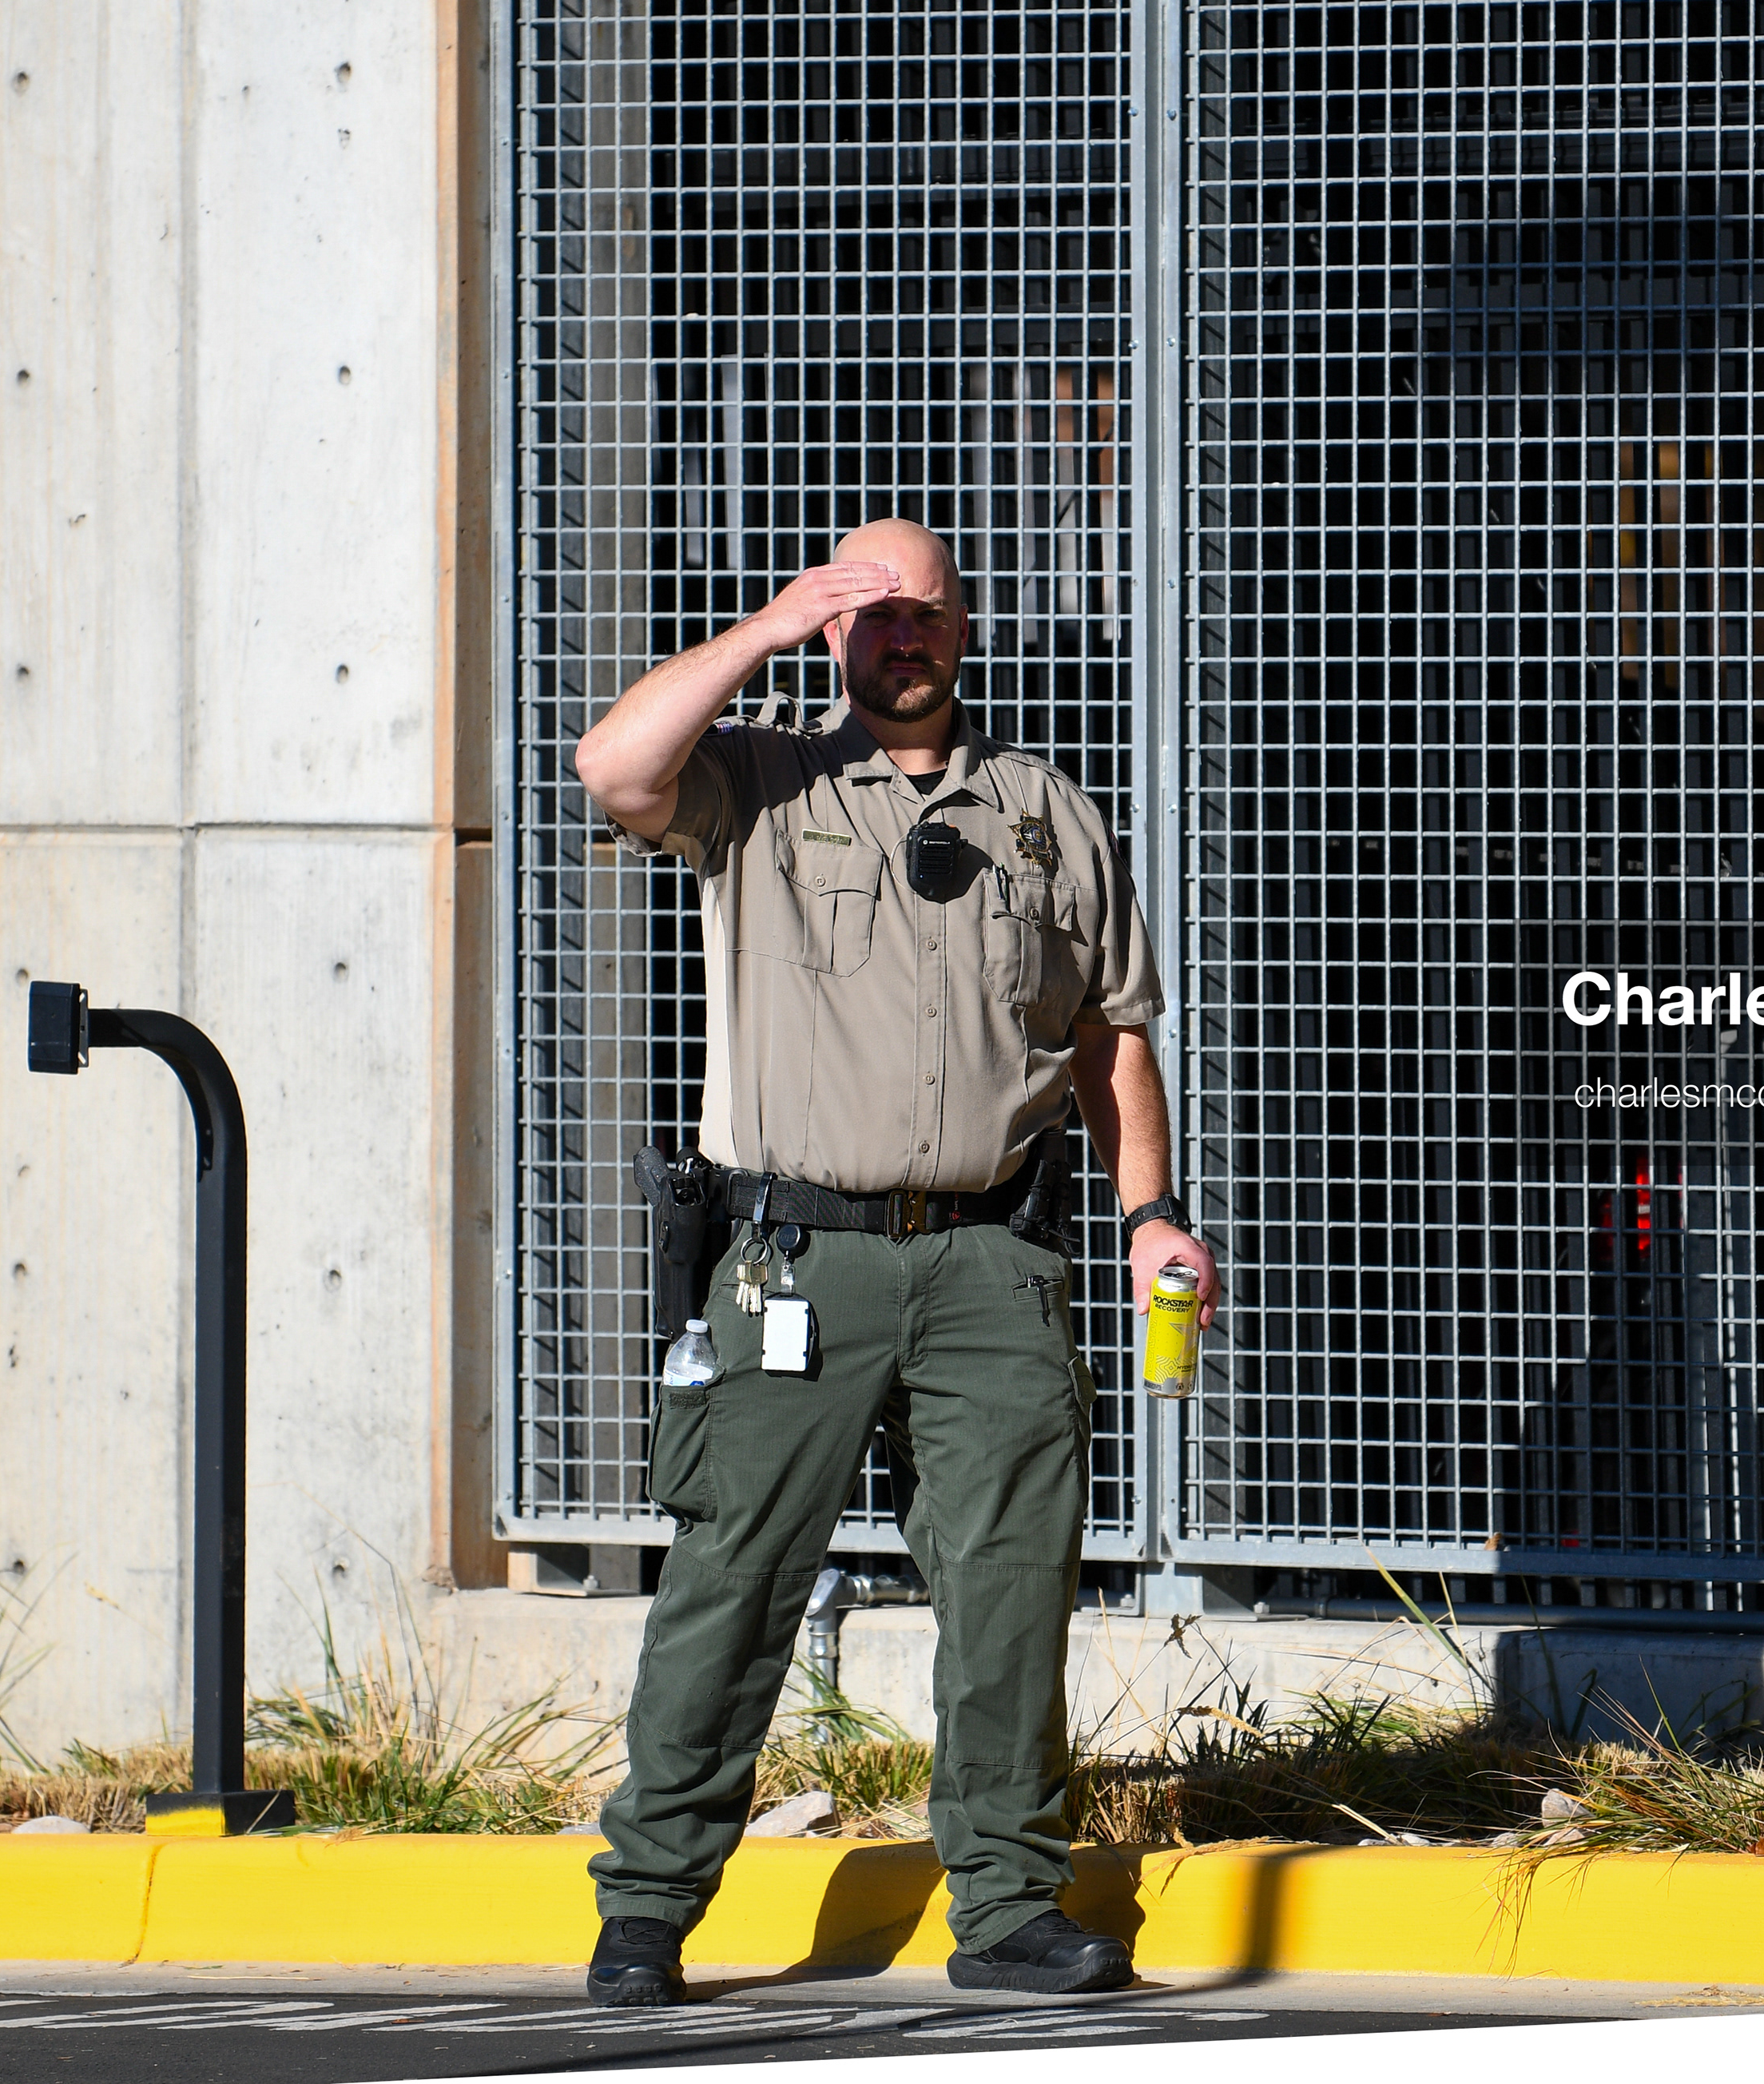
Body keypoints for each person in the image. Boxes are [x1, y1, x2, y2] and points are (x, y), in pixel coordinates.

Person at [570, 518, 1221, 2005]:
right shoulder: (761, 784)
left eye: (923, 610)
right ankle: (648, 1909)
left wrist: (1150, 1215)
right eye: (869, 614)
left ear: (965, 627)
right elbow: (614, 768)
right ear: (835, 636)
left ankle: (1006, 1909)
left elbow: (1112, 1036)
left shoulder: (1048, 815)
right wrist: (766, 626)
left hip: (993, 1260)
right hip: (800, 1257)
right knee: (735, 1577)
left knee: (1011, 1587)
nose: (901, 635)